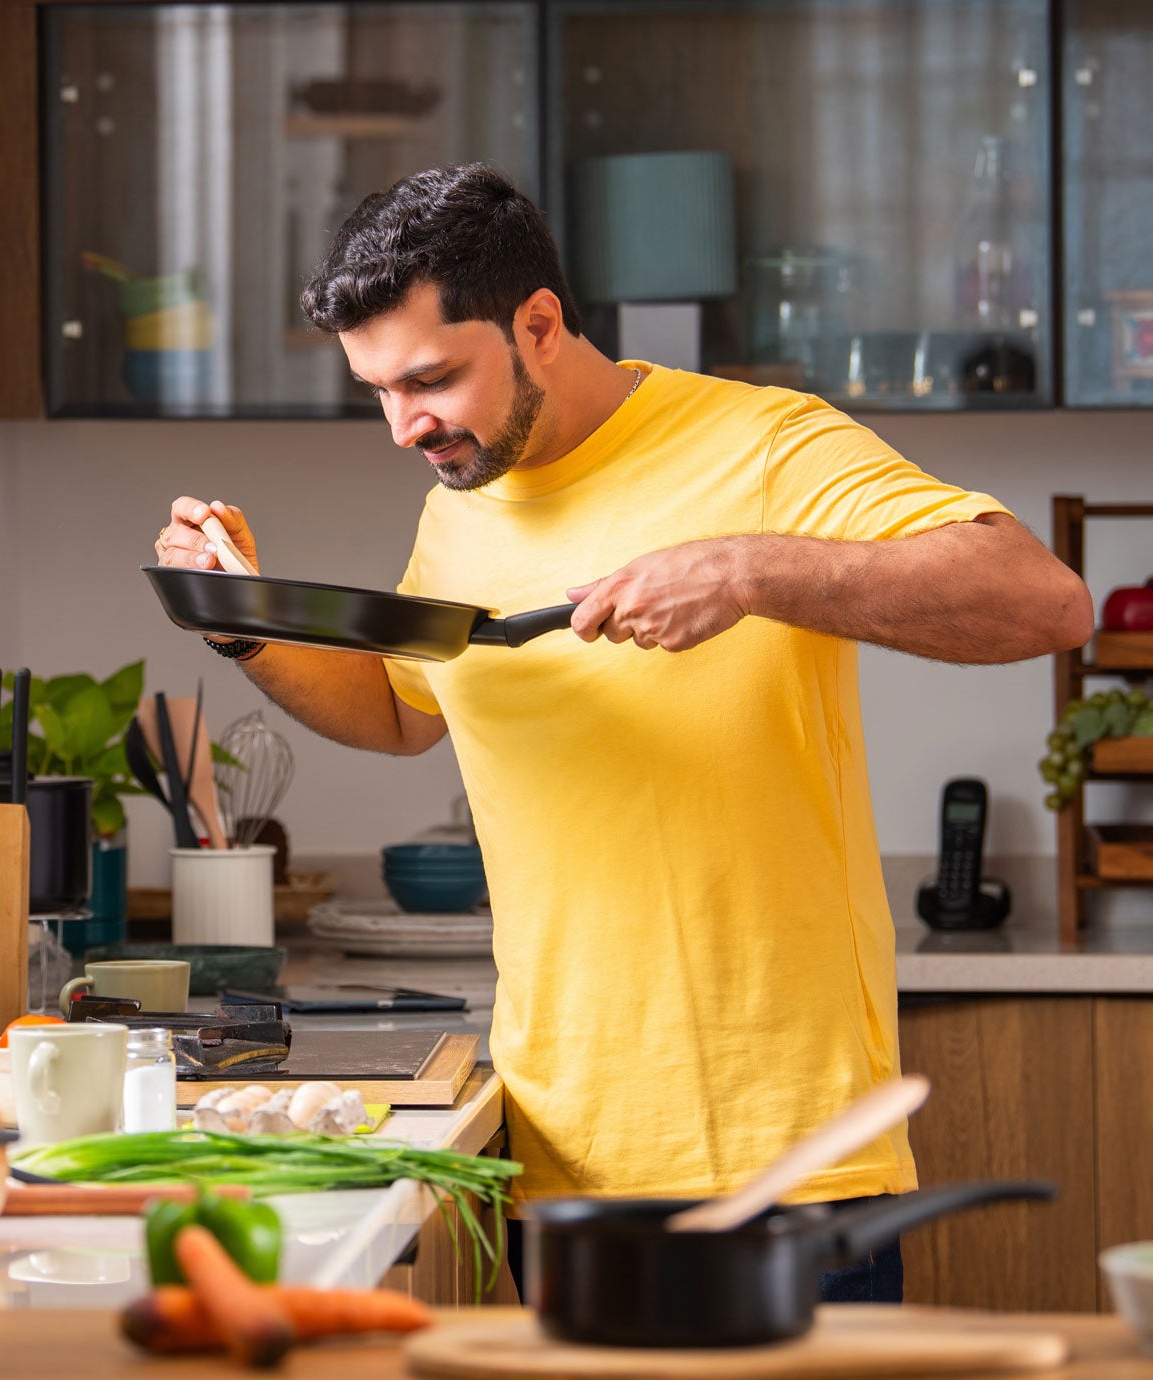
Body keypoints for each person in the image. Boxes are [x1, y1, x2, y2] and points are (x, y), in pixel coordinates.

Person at [152, 164, 1091, 1303]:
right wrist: (238, 622)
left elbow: (1040, 601)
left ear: (537, 324)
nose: (405, 426)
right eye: (378, 391)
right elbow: (404, 714)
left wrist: (750, 567)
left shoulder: (766, 443)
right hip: (561, 1147)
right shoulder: (459, 504)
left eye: (430, 378)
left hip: (781, 1153)